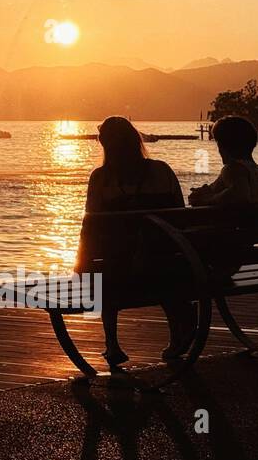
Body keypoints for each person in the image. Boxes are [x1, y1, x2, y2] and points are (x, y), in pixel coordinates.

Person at [79, 116, 189, 368]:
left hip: (119, 269)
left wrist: (81, 261)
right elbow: (180, 216)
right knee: (149, 263)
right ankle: (176, 334)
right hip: (165, 267)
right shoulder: (162, 170)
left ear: (105, 145)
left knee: (103, 268)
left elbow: (91, 225)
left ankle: (112, 344)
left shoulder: (101, 178)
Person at [189, 116, 258, 207]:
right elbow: (215, 187)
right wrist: (204, 191)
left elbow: (241, 195)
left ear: (222, 146)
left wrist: (208, 200)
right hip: (257, 221)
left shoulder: (233, 169)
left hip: (239, 220)